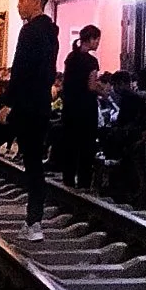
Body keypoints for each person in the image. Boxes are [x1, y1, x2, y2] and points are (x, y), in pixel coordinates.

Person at [0, 0, 58, 238]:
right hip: (40, 104)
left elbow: (21, 69)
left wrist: (8, 103)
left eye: (21, 0)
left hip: (25, 106)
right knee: (33, 164)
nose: (19, 5)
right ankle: (34, 221)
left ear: (35, 1)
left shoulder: (30, 31)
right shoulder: (51, 31)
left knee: (28, 163)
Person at [59, 26, 102, 190]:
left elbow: (66, 83)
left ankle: (68, 179)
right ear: (90, 39)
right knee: (86, 145)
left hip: (70, 107)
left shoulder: (71, 57)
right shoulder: (91, 61)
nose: (97, 43)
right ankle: (84, 182)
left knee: (70, 144)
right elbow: (91, 86)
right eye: (96, 39)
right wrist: (104, 92)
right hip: (86, 109)